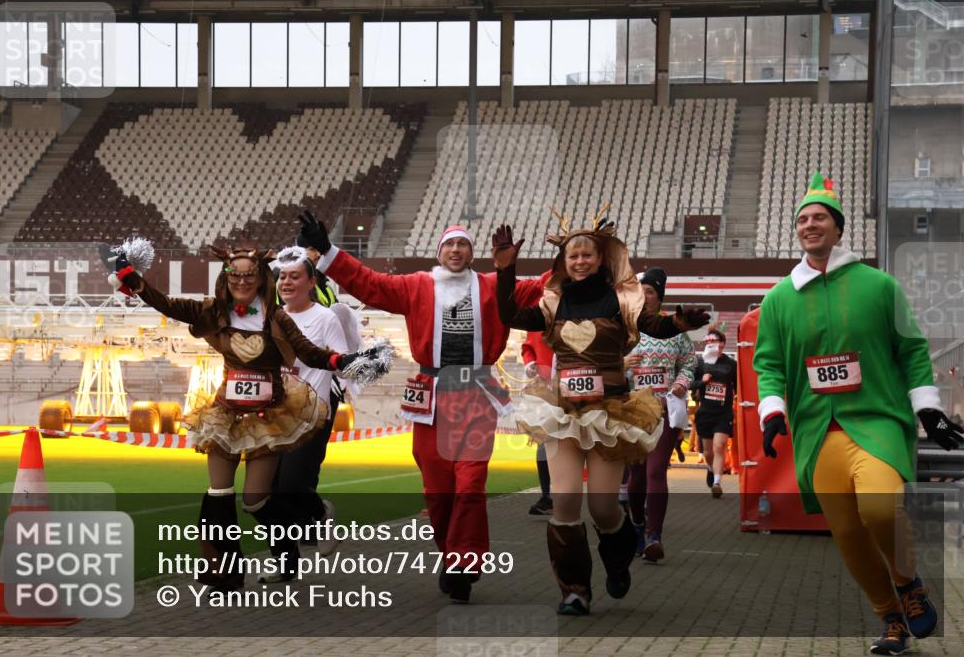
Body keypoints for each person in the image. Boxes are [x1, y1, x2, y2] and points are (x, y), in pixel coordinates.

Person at [753, 172, 964, 656]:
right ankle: (889, 619)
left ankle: (908, 584)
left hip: (877, 419)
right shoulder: (779, 299)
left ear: (838, 228)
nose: (811, 225)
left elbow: (911, 350)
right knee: (847, 533)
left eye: (820, 218)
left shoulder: (879, 286)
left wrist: (927, 409)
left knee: (879, 507)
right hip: (816, 430)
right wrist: (772, 412)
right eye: (803, 219)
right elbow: (767, 362)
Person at [102, 241, 382, 593]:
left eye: (250, 275)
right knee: (218, 493)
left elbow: (309, 352)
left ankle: (302, 530)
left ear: (260, 276)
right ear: (227, 276)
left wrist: (342, 362)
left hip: (269, 416)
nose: (242, 281)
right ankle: (223, 574)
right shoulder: (215, 311)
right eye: (235, 275)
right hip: (226, 413)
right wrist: (135, 281)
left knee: (257, 500)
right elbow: (170, 306)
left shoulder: (275, 317)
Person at [297, 210, 544, 603]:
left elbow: (552, 284)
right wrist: (327, 251)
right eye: (450, 244)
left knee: (471, 483)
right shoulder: (418, 286)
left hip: (476, 396)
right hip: (430, 396)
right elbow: (370, 284)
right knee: (438, 489)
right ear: (439, 252)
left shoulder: (494, 285)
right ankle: (451, 555)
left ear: (473, 253)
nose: (457, 250)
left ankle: (464, 563)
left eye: (464, 244)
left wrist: (578, 250)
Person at [494, 216, 709, 615]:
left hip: (610, 410)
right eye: (572, 254)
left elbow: (655, 326)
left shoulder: (623, 298)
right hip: (564, 410)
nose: (579, 260)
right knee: (565, 500)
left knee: (603, 506)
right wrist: (505, 270)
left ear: (600, 258)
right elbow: (510, 317)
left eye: (586, 254)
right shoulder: (553, 299)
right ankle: (574, 590)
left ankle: (619, 554)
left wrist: (679, 323)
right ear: (564, 260)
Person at [266, 245, 350, 571]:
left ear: (311, 282)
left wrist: (356, 365)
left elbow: (340, 361)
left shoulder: (325, 318)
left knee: (292, 487)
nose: (286, 282)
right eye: (282, 277)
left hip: (313, 412)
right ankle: (284, 563)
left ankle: (319, 513)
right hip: (274, 414)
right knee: (266, 492)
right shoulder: (272, 317)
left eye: (295, 277)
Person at [623, 267, 697, 562]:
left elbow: (689, 363)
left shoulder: (673, 329)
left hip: (665, 408)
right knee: (637, 474)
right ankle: (638, 527)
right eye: (639, 290)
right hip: (631, 410)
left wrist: (680, 384)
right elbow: (607, 363)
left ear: (659, 297)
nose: (644, 295)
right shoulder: (624, 328)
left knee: (656, 471)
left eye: (650, 291)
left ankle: (655, 535)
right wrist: (624, 362)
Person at [690, 326, 736, 498]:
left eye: (713, 341)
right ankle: (710, 468)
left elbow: (739, 388)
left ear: (722, 344)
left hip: (723, 413)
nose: (709, 343)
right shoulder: (700, 363)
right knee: (708, 452)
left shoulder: (731, 364)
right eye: (707, 341)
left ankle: (717, 482)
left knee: (719, 446)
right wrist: (701, 382)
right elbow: (689, 384)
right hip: (705, 412)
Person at [522, 329, 555, 516]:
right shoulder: (538, 315)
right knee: (543, 443)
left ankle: (618, 494)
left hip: (574, 388)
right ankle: (547, 497)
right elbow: (527, 347)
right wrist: (531, 363)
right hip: (545, 390)